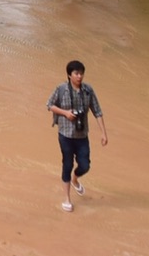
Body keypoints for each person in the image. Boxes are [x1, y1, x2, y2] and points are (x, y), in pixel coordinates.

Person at [46, 60, 106, 210]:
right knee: (67, 164)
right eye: (76, 73)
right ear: (69, 75)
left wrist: (104, 133)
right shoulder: (61, 89)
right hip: (65, 134)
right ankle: (67, 199)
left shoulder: (88, 91)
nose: (79, 76)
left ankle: (75, 179)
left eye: (81, 73)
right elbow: (49, 105)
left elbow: (97, 111)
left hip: (82, 135)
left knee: (85, 165)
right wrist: (65, 113)